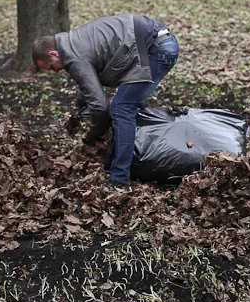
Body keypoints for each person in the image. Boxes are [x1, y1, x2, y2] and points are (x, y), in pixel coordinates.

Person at [33, 15, 180, 187]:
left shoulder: (73, 57)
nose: (54, 71)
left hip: (156, 50)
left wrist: (93, 135)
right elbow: (88, 85)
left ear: (53, 53)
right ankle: (140, 150)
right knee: (129, 101)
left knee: (121, 107)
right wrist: (80, 107)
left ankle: (118, 179)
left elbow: (100, 106)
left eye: (50, 66)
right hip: (154, 40)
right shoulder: (72, 41)